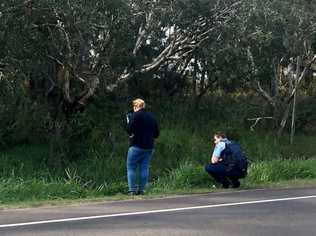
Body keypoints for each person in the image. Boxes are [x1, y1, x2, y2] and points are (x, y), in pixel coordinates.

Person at [126, 98, 159, 195]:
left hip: (136, 146)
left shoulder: (134, 115)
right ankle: (142, 190)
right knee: (144, 168)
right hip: (149, 147)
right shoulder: (152, 116)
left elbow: (129, 129)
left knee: (131, 168)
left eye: (134, 106)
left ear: (136, 106)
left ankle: (132, 190)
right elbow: (157, 133)